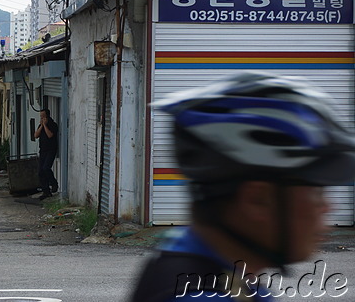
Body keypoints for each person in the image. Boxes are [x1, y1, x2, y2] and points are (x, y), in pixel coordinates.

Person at [129, 72, 355, 302]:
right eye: (317, 191)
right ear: (257, 199)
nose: (328, 207)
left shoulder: (196, 260)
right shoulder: (202, 294)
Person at [34, 108, 58, 199]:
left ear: (47, 116)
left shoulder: (53, 125)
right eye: (41, 116)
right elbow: (36, 135)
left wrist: (45, 125)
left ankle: (54, 183)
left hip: (51, 150)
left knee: (46, 167)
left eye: (43, 116)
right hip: (43, 150)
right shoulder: (40, 125)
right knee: (41, 171)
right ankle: (46, 191)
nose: (42, 118)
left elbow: (50, 135)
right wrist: (41, 126)